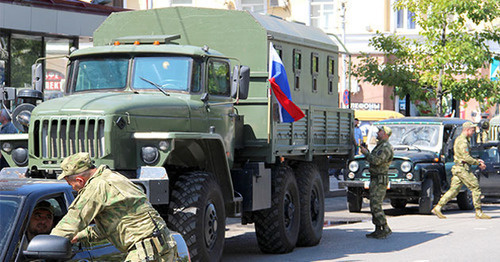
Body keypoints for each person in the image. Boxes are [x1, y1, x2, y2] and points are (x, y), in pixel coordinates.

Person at [51, 152, 178, 261]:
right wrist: (80, 236)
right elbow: (115, 224)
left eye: (71, 184)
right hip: (163, 245)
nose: (73, 188)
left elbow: (72, 221)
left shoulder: (97, 186)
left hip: (146, 251)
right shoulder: (112, 177)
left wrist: (49, 243)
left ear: (79, 180)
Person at [432, 121, 490, 219]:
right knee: (475, 187)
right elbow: (466, 157)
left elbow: (464, 157)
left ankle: (438, 207)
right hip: (463, 169)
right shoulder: (463, 141)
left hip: (459, 168)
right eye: (472, 130)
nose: (473, 133)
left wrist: (476, 160)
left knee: (453, 190)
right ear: (467, 130)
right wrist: (478, 163)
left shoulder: (460, 139)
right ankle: (479, 212)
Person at [360, 126, 394, 239]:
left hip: (380, 179)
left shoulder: (385, 147)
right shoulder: (380, 146)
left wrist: (366, 153)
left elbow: (376, 161)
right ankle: (378, 229)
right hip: (375, 178)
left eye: (380, 131)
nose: (378, 133)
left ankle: (384, 227)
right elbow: (375, 157)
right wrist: (368, 151)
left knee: (376, 205)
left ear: (385, 134)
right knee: (373, 204)